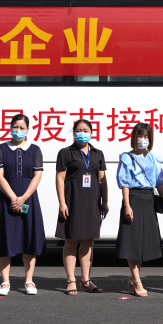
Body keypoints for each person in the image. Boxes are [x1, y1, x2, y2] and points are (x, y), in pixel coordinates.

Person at [115, 123, 163, 297]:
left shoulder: (154, 158)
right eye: (140, 136)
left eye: (146, 136)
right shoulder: (127, 157)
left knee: (142, 243)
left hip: (149, 200)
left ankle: (133, 279)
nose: (143, 139)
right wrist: (127, 205)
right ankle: (137, 281)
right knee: (132, 242)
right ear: (134, 137)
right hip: (134, 198)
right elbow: (125, 183)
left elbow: (159, 182)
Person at [0, 114, 46, 296]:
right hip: (6, 201)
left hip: (29, 200)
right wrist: (14, 198)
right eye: (15, 127)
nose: (18, 130)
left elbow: (37, 176)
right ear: (10, 128)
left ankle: (29, 280)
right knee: (5, 239)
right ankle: (5, 282)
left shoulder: (35, 150)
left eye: (22, 128)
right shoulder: (2, 149)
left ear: (28, 130)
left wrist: (23, 198)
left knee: (29, 239)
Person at [55, 119, 109, 295]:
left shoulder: (98, 154)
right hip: (72, 200)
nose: (82, 133)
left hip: (92, 201)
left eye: (86, 130)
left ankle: (85, 280)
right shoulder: (65, 152)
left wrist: (105, 201)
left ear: (91, 133)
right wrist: (62, 203)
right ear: (73, 133)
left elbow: (102, 180)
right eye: (78, 130)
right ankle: (71, 280)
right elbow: (60, 179)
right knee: (71, 240)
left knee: (88, 241)